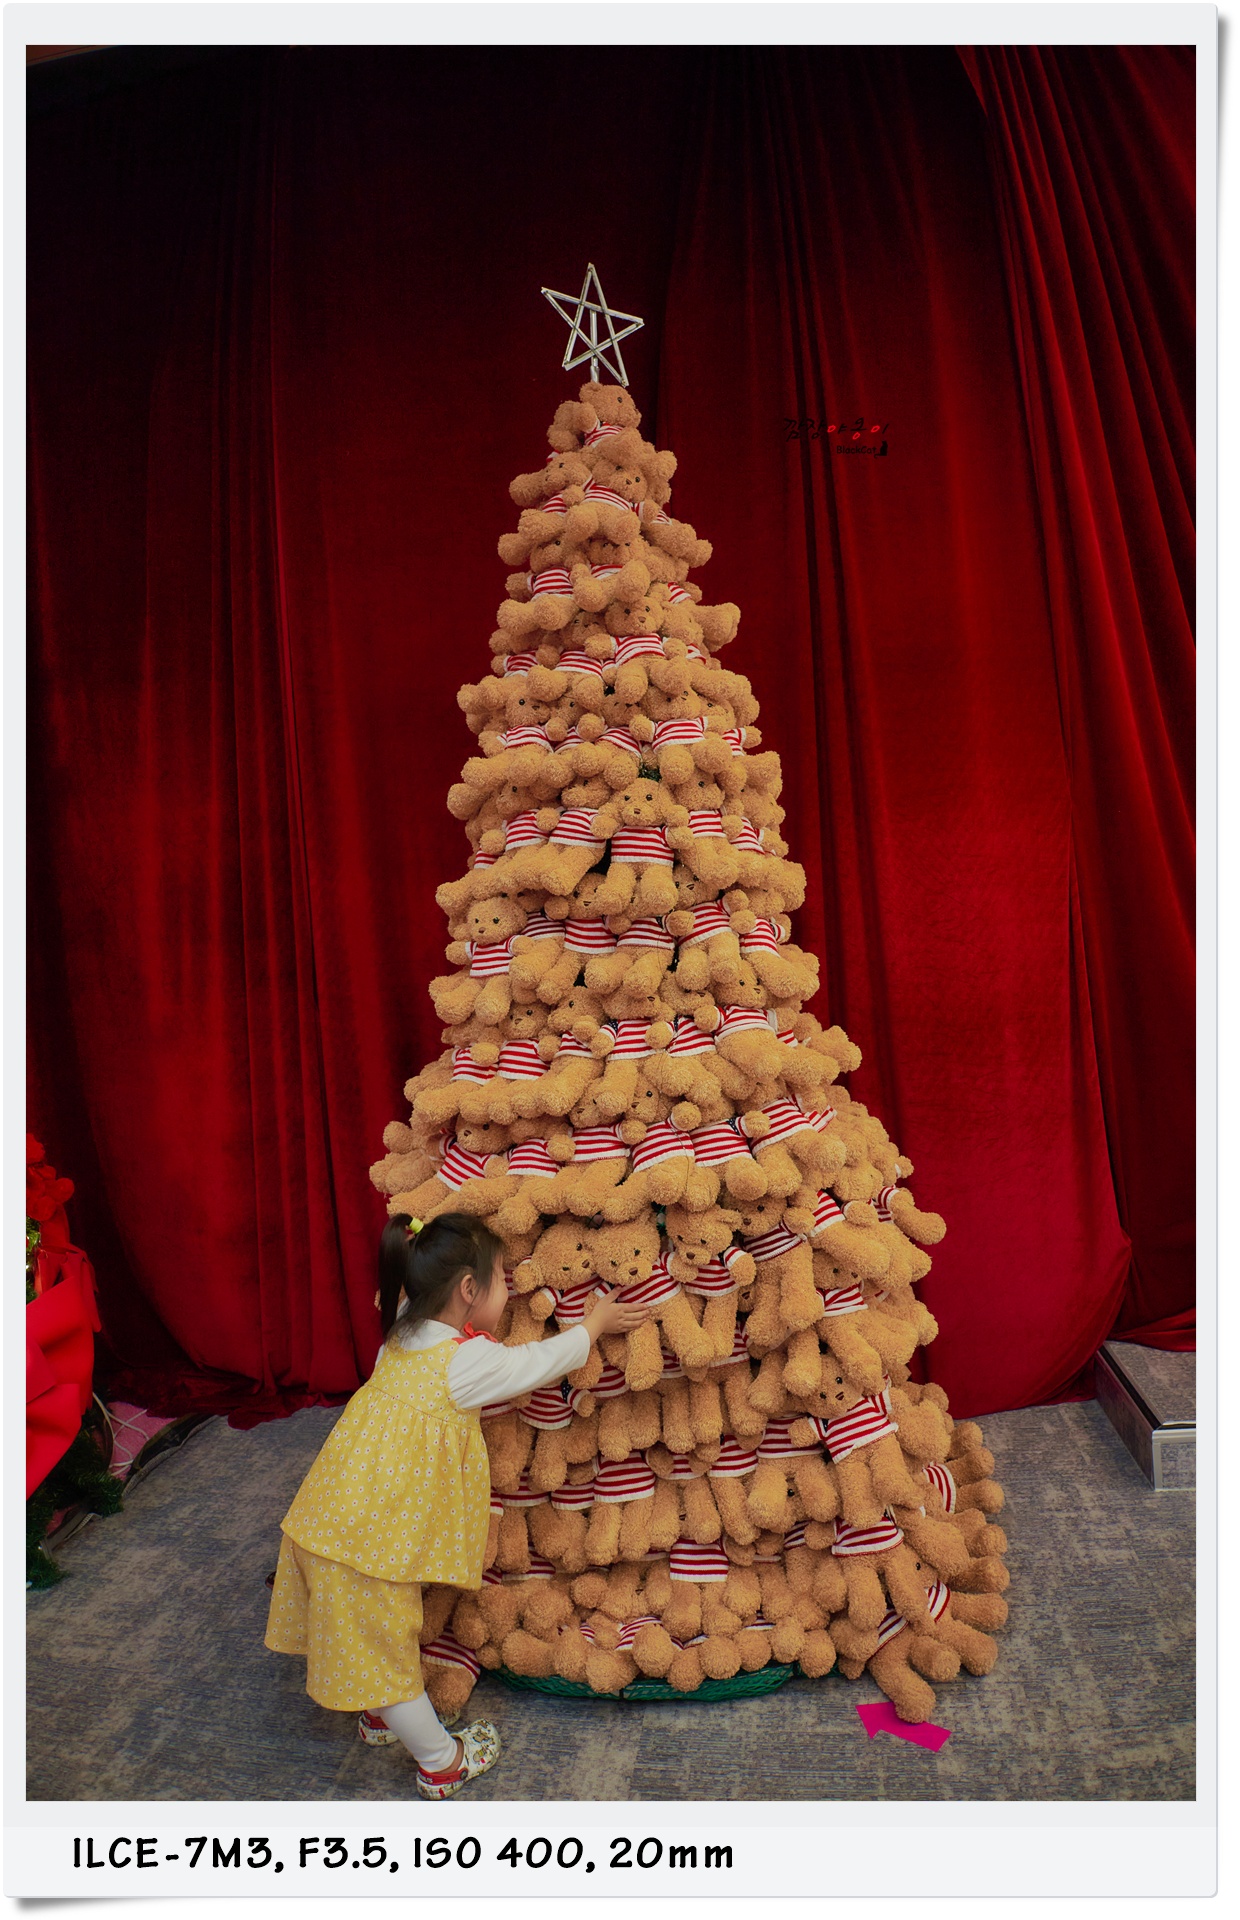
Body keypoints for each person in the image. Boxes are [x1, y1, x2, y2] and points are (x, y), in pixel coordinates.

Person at [265, 1210, 652, 1799]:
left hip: (327, 1521)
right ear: (468, 1289)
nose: (510, 1291)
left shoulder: (401, 1335)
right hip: (366, 1547)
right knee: (387, 1652)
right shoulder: (463, 1362)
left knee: (367, 1636)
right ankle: (441, 1762)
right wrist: (593, 1324)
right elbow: (536, 1364)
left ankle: (381, 1714)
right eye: (502, 1280)